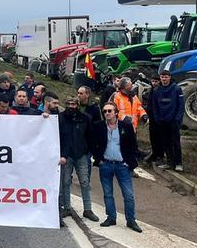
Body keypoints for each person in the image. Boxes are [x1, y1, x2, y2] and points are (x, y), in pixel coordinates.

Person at [90, 102, 141, 233]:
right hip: (105, 164)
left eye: (109, 111)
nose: (107, 113)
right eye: (105, 111)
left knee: (128, 195)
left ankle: (131, 220)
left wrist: (129, 162)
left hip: (122, 165)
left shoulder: (126, 126)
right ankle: (111, 217)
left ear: (116, 112)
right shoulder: (98, 126)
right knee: (108, 193)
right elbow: (92, 143)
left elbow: (133, 146)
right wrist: (98, 159)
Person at [59, 97, 99, 222]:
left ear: (77, 105)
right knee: (65, 182)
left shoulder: (85, 118)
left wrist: (89, 151)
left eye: (74, 104)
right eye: (69, 104)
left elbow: (90, 136)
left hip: (81, 154)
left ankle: (88, 209)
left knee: (84, 182)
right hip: (67, 155)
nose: (71, 106)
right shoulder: (61, 117)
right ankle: (66, 207)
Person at [151, 70, 185, 171]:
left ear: (169, 77)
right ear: (160, 78)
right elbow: (155, 106)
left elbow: (181, 106)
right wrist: (157, 119)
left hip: (173, 121)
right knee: (166, 143)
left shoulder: (177, 89)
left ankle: (178, 163)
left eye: (166, 77)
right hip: (162, 122)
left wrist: (177, 119)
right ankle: (170, 162)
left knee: (175, 143)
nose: (164, 79)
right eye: (162, 77)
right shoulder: (157, 91)